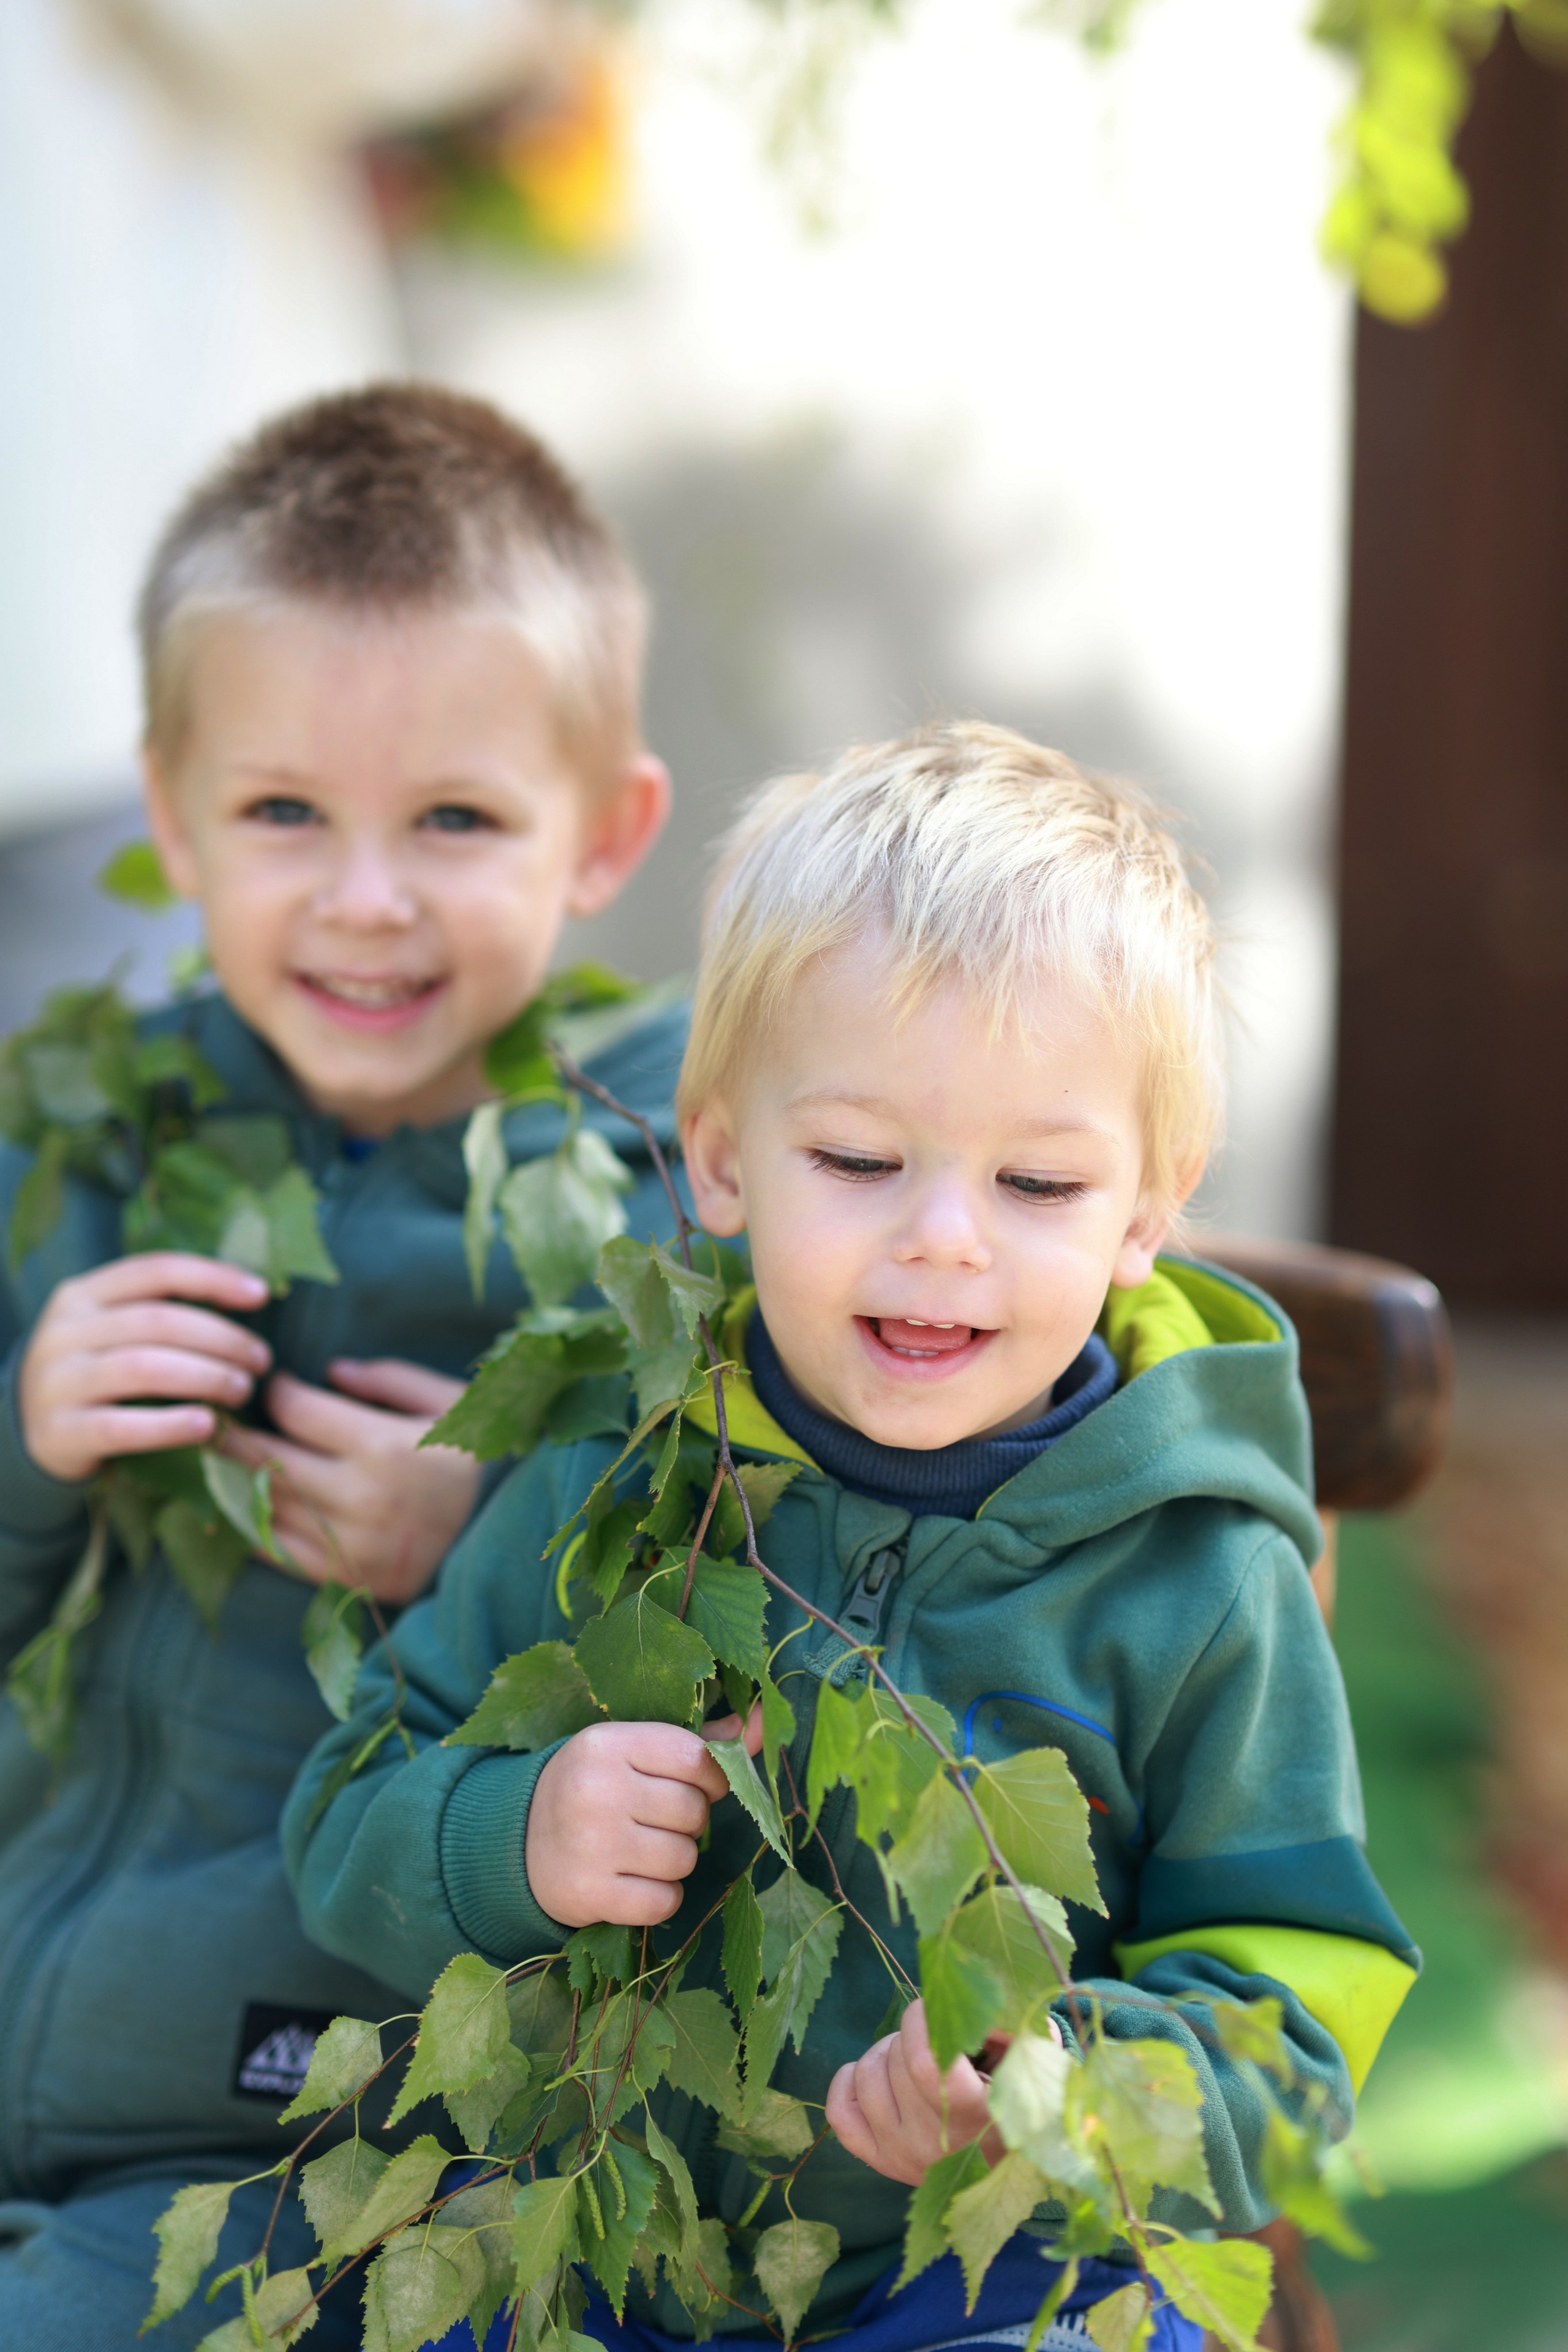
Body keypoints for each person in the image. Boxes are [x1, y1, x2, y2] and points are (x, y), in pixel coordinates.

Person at [287, 723, 1417, 2351]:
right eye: (861, 1159)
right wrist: (513, 1833)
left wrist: (1060, 2090)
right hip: (603, 2256)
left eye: (1038, 1183)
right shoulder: (626, 1466)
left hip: (997, 2277)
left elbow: (1294, 2000)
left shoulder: (1203, 1578)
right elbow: (346, 1808)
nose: (943, 1238)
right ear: (723, 1158)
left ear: (1148, 1209)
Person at [0, 381, 678, 2350]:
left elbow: (758, 1611)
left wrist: (487, 1537)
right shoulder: (98, 1137)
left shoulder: (663, 1186)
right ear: (171, 816)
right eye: (284, 812)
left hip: (299, 2139)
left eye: (454, 819)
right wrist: (29, 1444)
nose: (365, 899)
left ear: (603, 834)